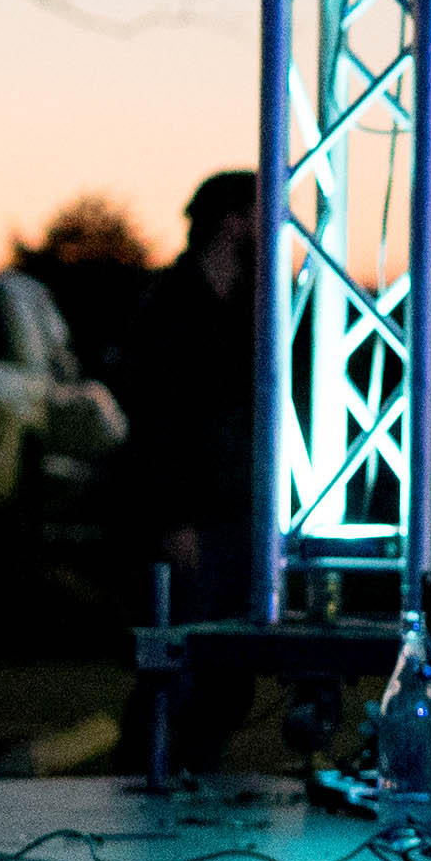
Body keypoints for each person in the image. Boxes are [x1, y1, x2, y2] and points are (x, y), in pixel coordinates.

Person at [108, 169, 261, 771]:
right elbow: (158, 421)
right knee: (180, 663)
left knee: (229, 672)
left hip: (238, 510)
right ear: (229, 220)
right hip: (194, 516)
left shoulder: (247, 304)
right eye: (256, 213)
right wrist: (176, 518)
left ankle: (195, 774)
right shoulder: (171, 308)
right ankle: (146, 774)